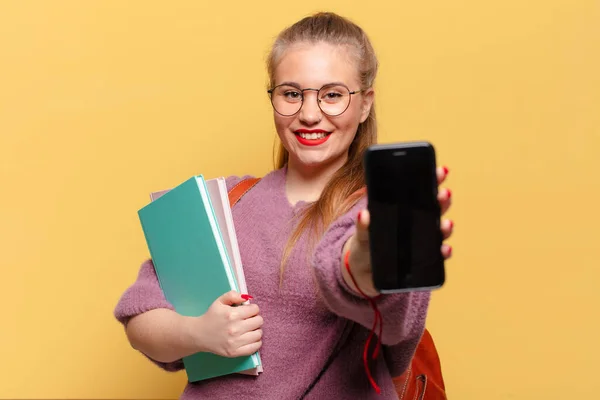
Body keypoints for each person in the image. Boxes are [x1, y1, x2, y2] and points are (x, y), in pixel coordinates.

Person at [114, 11, 454, 399]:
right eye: (292, 93)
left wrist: (362, 265)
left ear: (364, 105)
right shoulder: (224, 201)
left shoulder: (376, 218)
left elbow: (391, 320)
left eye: (332, 95)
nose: (309, 114)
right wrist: (198, 333)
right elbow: (140, 316)